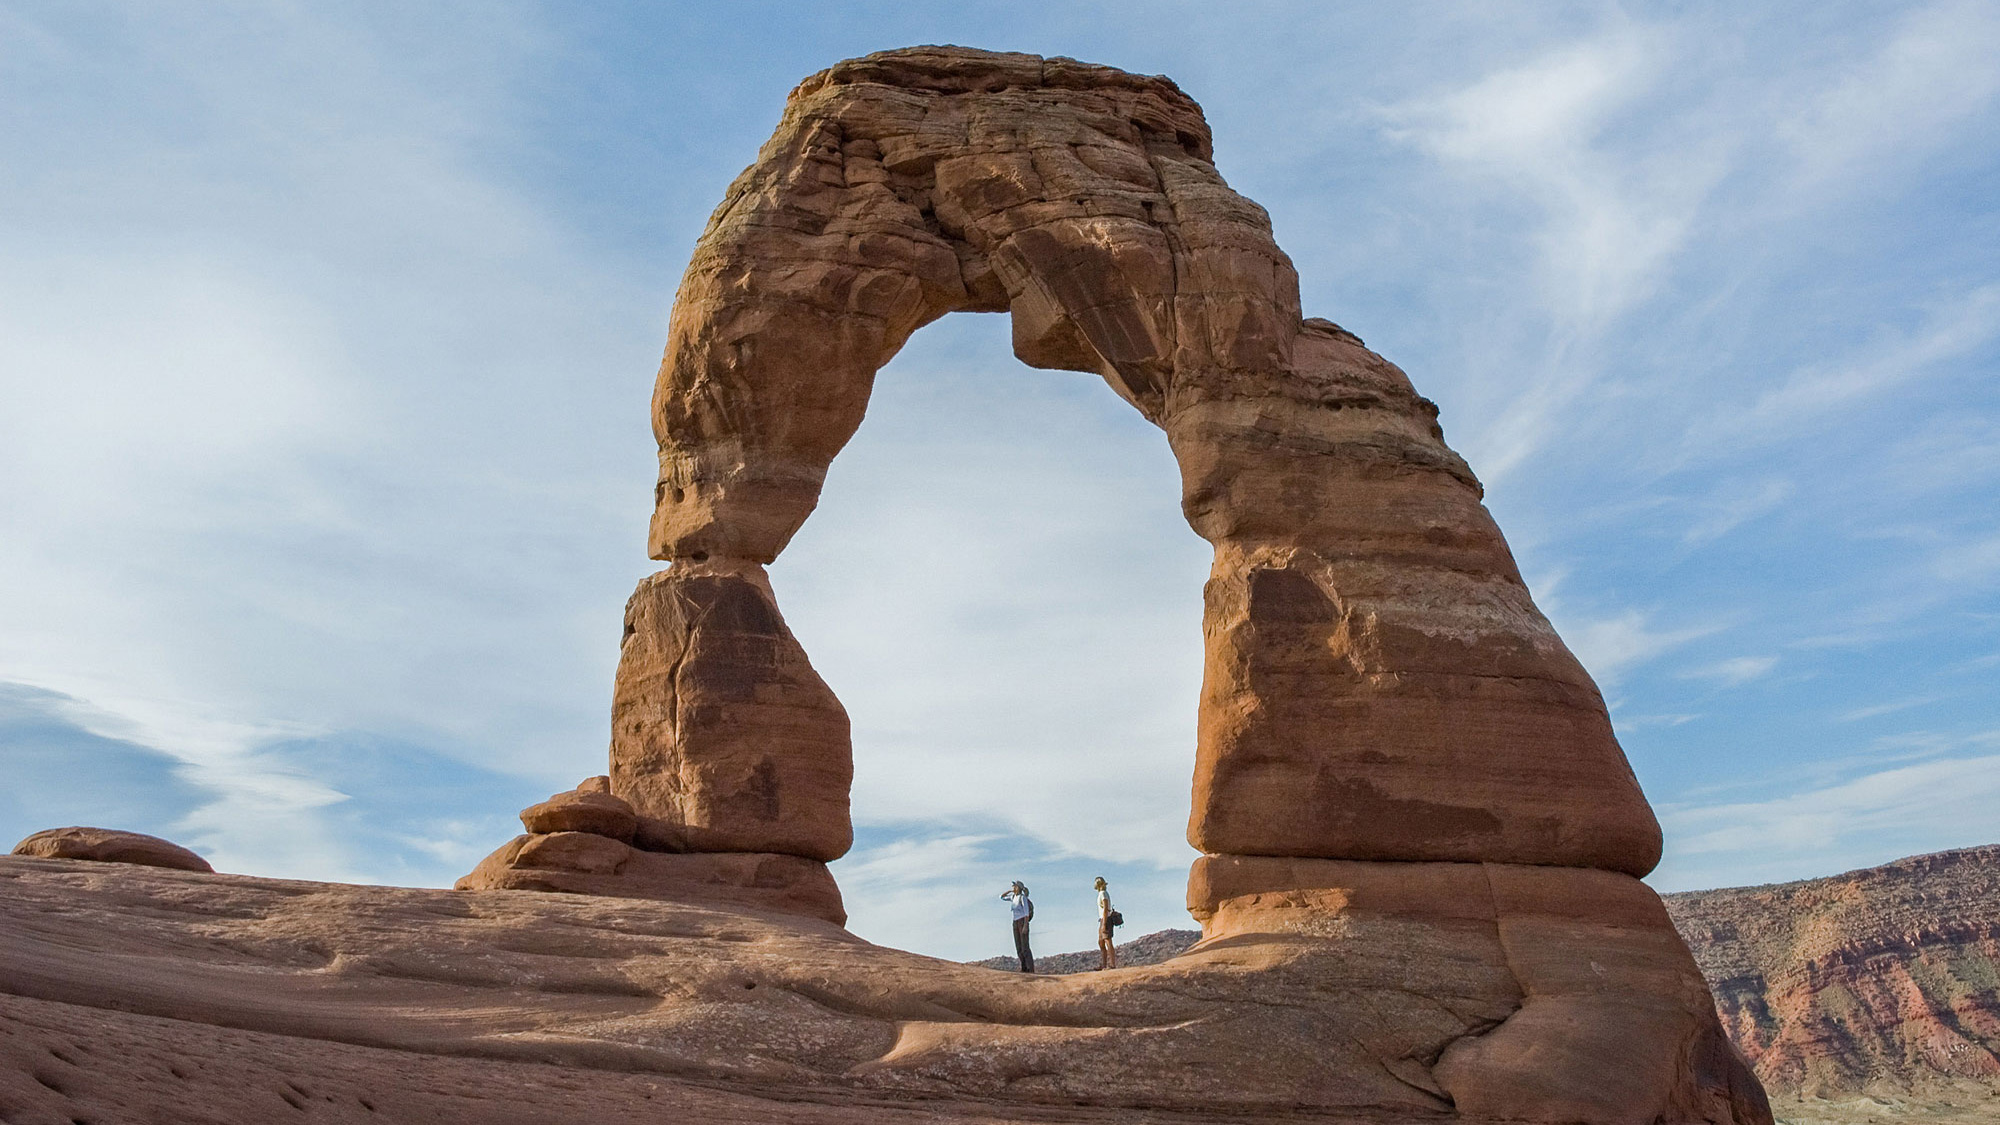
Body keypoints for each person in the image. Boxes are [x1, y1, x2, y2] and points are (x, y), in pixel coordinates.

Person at [1000, 881, 1034, 973]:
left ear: (1018, 887)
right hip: (1015, 922)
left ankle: (1029, 968)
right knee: (1018, 946)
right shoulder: (1013, 897)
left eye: (1014, 886)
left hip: (1022, 921)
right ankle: (1023, 967)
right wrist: (1009, 891)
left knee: (1025, 947)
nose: (1013, 887)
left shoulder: (1022, 898)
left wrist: (1025, 925)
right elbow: (1001, 897)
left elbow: (1026, 912)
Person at [1095, 876, 1117, 970]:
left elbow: (1105, 907)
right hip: (1102, 919)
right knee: (1101, 942)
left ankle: (1112, 964)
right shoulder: (1101, 893)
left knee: (1108, 941)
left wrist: (1104, 923)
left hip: (1105, 919)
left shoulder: (1103, 894)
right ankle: (1104, 965)